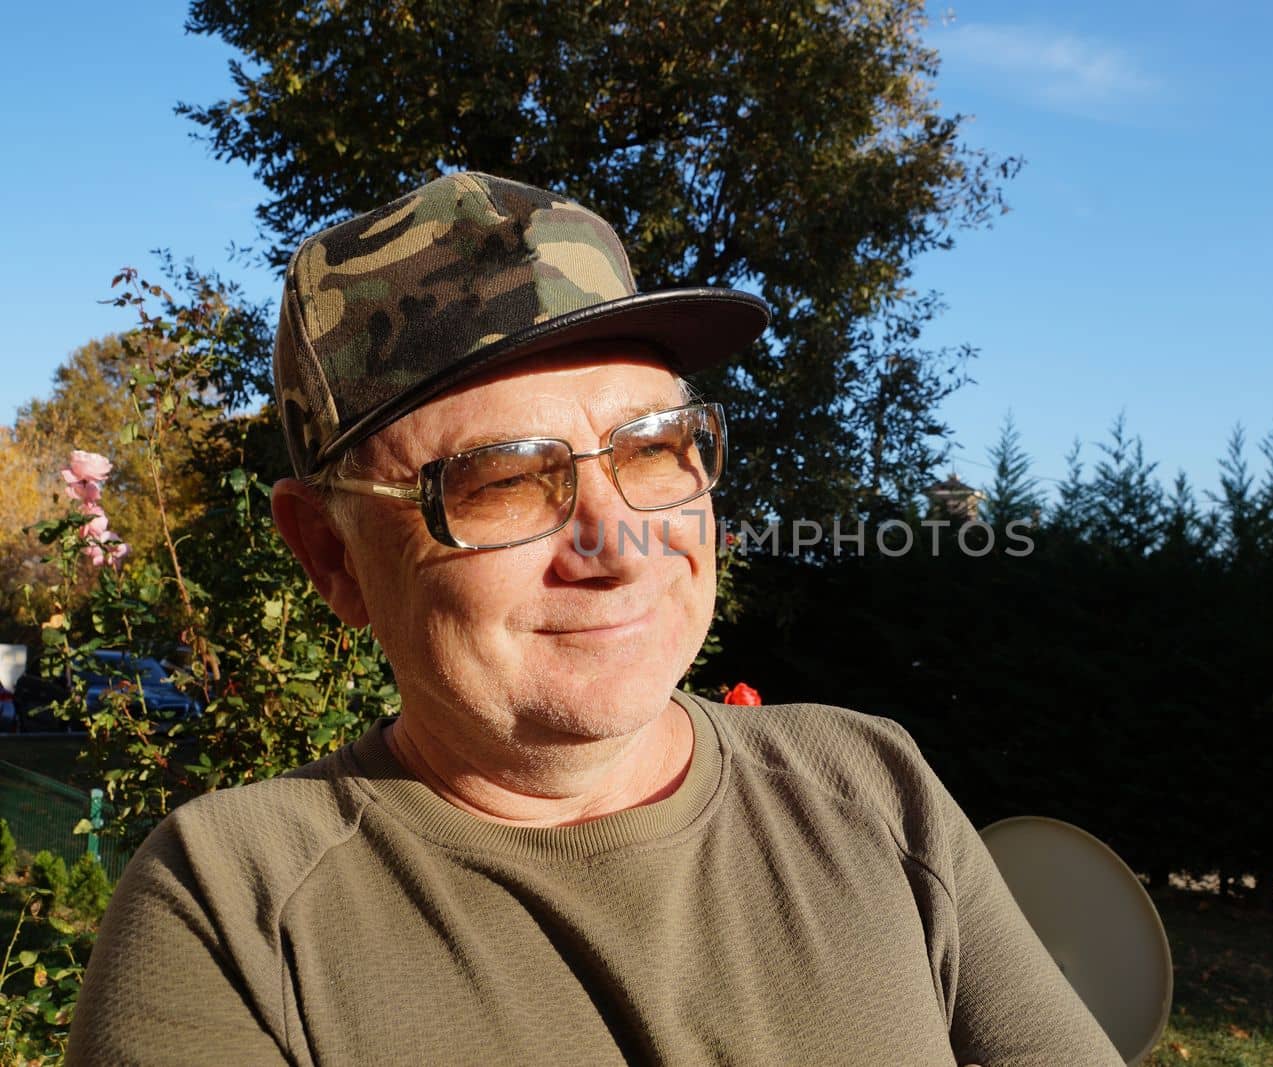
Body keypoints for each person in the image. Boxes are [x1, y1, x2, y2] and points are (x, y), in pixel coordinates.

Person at [68, 173, 1121, 1066]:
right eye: (501, 480)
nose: (617, 548)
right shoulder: (233, 907)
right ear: (331, 554)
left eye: (655, 447)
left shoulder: (865, 786)